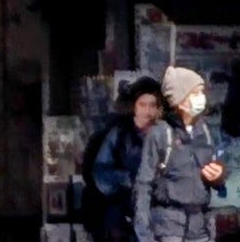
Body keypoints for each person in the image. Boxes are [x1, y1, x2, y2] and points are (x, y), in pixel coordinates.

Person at [133, 69, 226, 242]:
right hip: (169, 226)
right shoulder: (160, 133)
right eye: (195, 93)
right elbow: (144, 184)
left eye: (202, 92)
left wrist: (218, 178)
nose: (202, 98)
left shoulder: (205, 130)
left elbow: (217, 176)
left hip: (200, 226)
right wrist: (144, 234)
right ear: (180, 100)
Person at [83, 80, 164, 242]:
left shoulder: (166, 134)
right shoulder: (119, 134)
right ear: (134, 107)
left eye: (152, 105)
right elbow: (100, 172)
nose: (148, 111)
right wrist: (126, 178)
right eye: (142, 105)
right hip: (121, 214)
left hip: (158, 215)